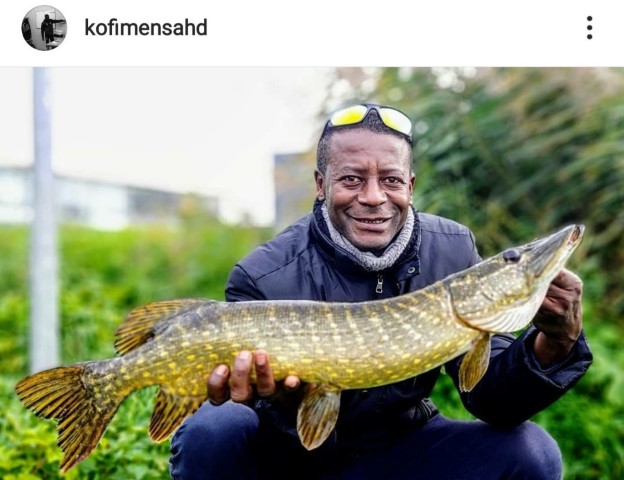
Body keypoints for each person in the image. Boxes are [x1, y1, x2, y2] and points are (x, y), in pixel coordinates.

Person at [169, 103, 593, 479]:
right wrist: (284, 401)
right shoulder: (262, 275)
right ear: (321, 184)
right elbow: (249, 408)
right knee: (215, 428)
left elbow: (493, 400)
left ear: (409, 186)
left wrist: (557, 341)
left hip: (401, 448)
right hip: (292, 460)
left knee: (530, 452)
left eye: (390, 179)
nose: (373, 197)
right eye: (352, 179)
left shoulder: (452, 250)